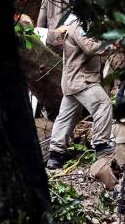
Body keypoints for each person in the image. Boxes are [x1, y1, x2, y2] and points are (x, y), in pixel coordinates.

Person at [45, 18, 119, 169]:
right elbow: (90, 48)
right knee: (102, 105)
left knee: (66, 118)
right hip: (82, 80)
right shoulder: (79, 26)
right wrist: (111, 44)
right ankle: (102, 146)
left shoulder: (85, 25)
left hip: (73, 81)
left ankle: (55, 156)